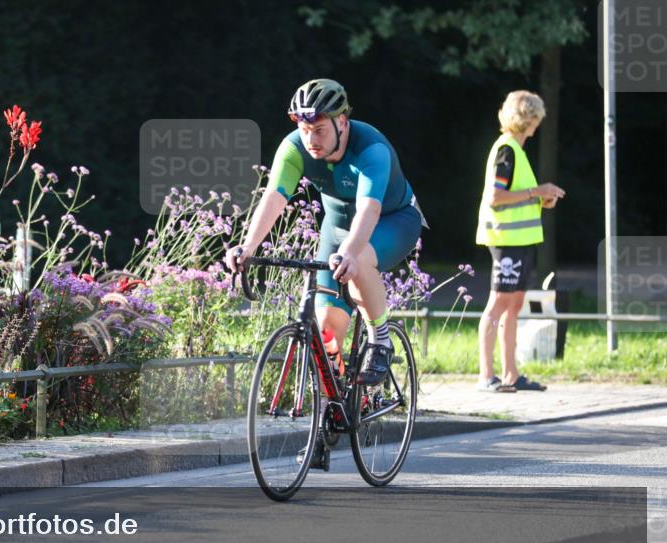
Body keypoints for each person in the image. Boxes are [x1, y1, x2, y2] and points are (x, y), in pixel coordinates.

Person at [225, 79, 426, 465]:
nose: (311, 138)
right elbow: (274, 196)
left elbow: (369, 210)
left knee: (362, 259)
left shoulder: (372, 149)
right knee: (326, 328)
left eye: (319, 129)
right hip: (336, 226)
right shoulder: (295, 146)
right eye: (304, 129)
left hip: (391, 220)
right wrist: (248, 248)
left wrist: (350, 253)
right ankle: (330, 417)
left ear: (343, 122)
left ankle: (380, 337)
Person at [475, 90, 564, 393]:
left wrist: (542, 200)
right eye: (536, 117)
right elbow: (496, 197)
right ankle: (486, 375)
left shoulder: (516, 149)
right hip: (506, 239)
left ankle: (511, 374)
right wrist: (537, 192)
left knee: (514, 305)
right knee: (498, 304)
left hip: (520, 239)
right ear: (529, 118)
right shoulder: (507, 150)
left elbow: (516, 197)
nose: (537, 124)